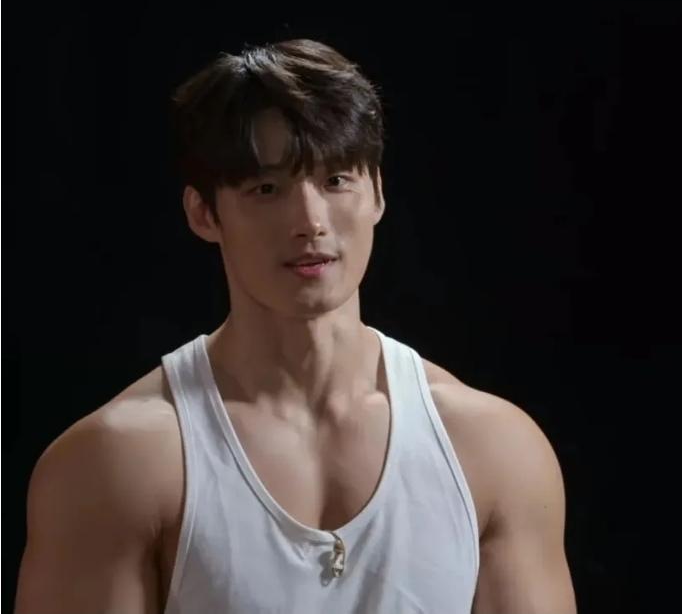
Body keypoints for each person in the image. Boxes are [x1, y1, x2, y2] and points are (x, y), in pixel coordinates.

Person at [15, 39, 576, 614]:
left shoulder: (491, 449)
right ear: (204, 213)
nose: (310, 221)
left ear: (377, 194)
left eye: (336, 181)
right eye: (266, 189)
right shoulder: (120, 462)